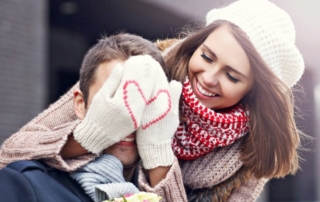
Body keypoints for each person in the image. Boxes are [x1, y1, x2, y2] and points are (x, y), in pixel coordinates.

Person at [0, 0, 305, 201]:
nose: (209, 77)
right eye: (207, 56)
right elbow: (12, 153)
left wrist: (158, 155)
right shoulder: (140, 65)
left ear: (253, 94)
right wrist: (95, 133)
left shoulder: (248, 154)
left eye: (232, 76)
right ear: (197, 45)